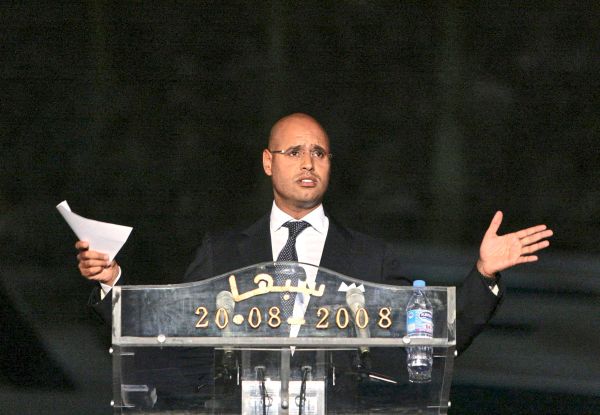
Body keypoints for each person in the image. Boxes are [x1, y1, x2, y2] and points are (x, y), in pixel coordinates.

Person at [76, 112, 553, 354]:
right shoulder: (222, 252)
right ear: (268, 162)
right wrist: (112, 282)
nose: (308, 163)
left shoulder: (370, 257)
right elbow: (170, 330)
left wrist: (482, 275)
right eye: (294, 152)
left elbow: (428, 340)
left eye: (319, 153)